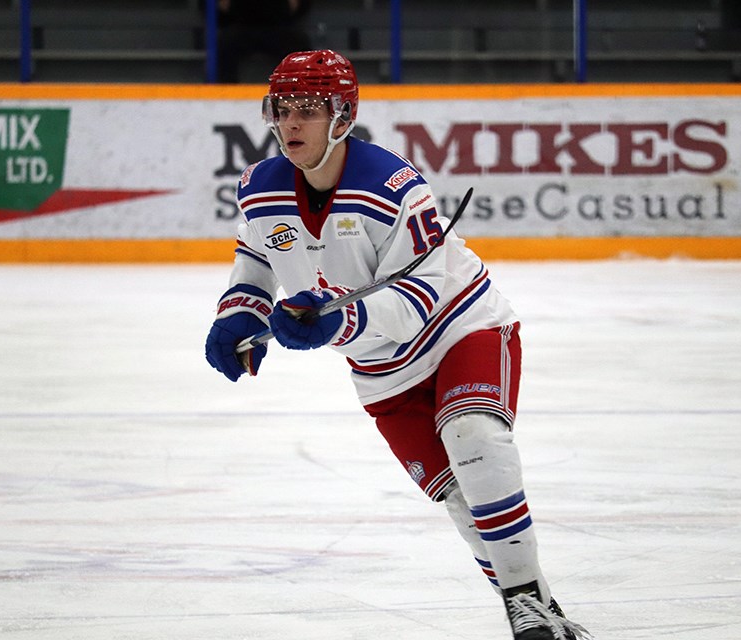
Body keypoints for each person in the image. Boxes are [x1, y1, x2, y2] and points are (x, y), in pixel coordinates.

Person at [204, 49, 592, 640]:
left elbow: (418, 300)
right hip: (381, 367)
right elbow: (258, 255)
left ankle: (523, 612)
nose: (290, 125)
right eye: (282, 110)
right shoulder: (259, 188)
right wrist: (240, 312)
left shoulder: (394, 187)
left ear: (342, 115)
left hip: (462, 326)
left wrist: (332, 324)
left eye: (307, 109)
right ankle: (541, 609)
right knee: (461, 498)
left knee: (474, 437)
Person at [206, 0, 312, 83]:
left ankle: (299, 90)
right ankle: (224, 90)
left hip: (278, 27)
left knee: (298, 46)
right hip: (241, 26)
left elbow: (301, 7)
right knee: (223, 45)